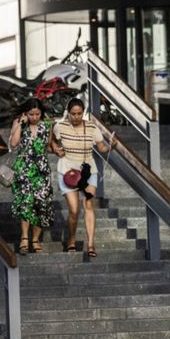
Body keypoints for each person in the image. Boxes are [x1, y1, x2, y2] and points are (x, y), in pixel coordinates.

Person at [51, 99, 115, 257]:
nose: (76, 117)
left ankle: (91, 244)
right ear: (68, 112)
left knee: (88, 204)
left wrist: (110, 146)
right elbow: (51, 141)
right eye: (73, 114)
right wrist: (55, 149)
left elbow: (101, 148)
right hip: (67, 170)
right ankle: (71, 239)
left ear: (83, 112)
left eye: (79, 113)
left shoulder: (92, 127)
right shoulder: (60, 126)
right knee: (73, 210)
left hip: (88, 171)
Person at [9, 99, 55, 254]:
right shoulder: (19, 123)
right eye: (31, 114)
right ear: (25, 113)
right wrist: (20, 124)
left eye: (37, 114)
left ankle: (35, 239)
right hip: (24, 169)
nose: (34, 117)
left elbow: (47, 146)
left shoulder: (46, 125)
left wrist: (57, 150)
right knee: (26, 203)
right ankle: (24, 238)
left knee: (41, 204)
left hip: (42, 170)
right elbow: (14, 144)